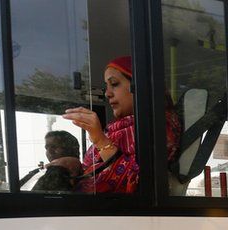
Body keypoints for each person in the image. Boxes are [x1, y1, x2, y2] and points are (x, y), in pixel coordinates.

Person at [61, 55, 182, 194]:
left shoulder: (159, 125)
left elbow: (140, 185)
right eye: (106, 86)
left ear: (140, 86)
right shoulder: (118, 128)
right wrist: (73, 165)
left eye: (114, 84)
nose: (107, 93)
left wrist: (100, 141)